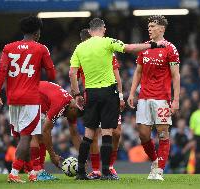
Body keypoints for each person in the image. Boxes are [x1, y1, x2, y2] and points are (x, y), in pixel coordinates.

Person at [69, 18, 166, 180]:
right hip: (108, 92)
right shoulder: (107, 42)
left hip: (90, 92)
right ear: (103, 29)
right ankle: (106, 171)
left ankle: (80, 172)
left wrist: (77, 94)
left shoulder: (79, 47)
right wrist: (152, 45)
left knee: (88, 133)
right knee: (107, 132)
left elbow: (72, 73)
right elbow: (130, 48)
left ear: (90, 30)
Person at [0, 16, 56, 183]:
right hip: (31, 97)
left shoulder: (8, 47)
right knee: (27, 136)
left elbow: (2, 71)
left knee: (22, 136)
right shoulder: (41, 49)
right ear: (37, 33)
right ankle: (14, 172)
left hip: (13, 98)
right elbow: (52, 75)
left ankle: (30, 172)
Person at [127, 15, 180, 180]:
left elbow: (176, 76)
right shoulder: (145, 47)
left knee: (163, 134)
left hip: (162, 98)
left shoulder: (170, 48)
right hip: (143, 97)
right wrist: (131, 92)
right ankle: (155, 161)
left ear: (161, 29)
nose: (149, 29)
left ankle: (159, 171)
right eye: (148, 26)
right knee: (143, 135)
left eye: (152, 26)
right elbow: (138, 71)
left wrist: (176, 100)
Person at [77, 28, 125, 179]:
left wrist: (121, 96)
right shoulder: (81, 53)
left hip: (109, 94)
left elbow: (117, 76)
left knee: (115, 132)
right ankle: (98, 169)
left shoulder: (107, 53)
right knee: (93, 134)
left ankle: (109, 166)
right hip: (91, 96)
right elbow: (76, 76)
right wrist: (79, 94)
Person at [28, 81, 83, 181]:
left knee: (40, 136)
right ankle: (36, 171)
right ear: (73, 109)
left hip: (38, 96)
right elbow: (46, 131)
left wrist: (82, 159)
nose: (71, 119)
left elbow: (74, 133)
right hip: (32, 95)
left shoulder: (71, 107)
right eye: (74, 116)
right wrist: (53, 156)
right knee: (38, 135)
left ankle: (38, 171)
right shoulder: (60, 104)